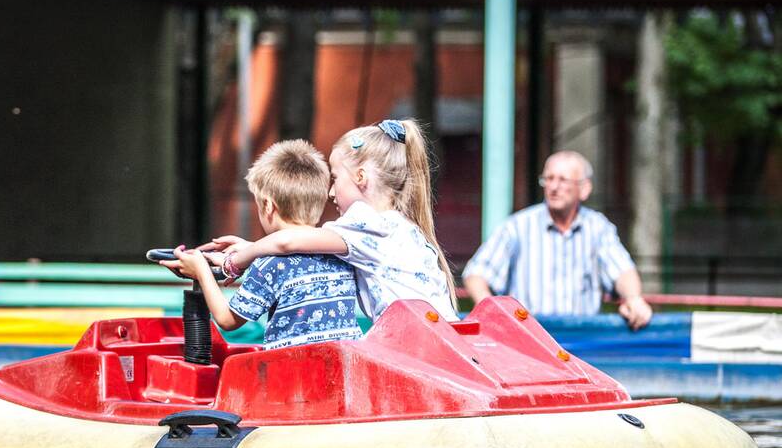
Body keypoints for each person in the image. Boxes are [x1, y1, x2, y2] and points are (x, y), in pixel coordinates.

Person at [199, 119, 458, 322]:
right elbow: (302, 246)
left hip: (418, 348)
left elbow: (289, 242)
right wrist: (250, 247)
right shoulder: (400, 225)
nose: (331, 191)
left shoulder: (365, 223)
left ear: (360, 177)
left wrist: (235, 262)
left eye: (335, 178)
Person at [166, 140, 362, 349]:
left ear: (268, 205)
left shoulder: (269, 266)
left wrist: (201, 271)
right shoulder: (340, 251)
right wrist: (250, 251)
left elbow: (227, 320)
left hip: (293, 374)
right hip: (342, 369)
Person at [462, 150, 653, 330]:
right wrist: (492, 312)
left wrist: (634, 298)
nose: (553, 187)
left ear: (584, 189)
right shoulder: (518, 226)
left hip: (582, 345)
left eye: (563, 180)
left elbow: (622, 271)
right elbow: (476, 274)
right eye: (548, 179)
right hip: (529, 343)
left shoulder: (598, 227)